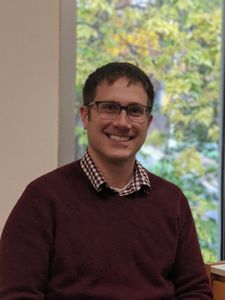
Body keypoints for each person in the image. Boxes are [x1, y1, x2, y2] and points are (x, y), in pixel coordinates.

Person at [0, 62, 212, 299]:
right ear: (85, 116)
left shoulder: (172, 200)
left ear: (148, 122)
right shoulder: (42, 199)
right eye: (109, 108)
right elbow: (16, 294)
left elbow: (194, 291)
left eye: (135, 110)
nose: (122, 122)